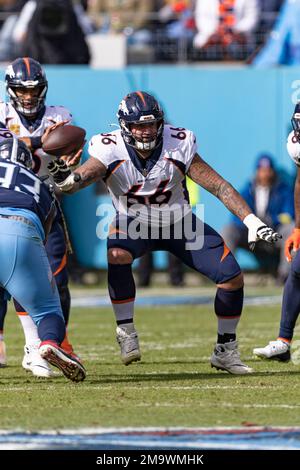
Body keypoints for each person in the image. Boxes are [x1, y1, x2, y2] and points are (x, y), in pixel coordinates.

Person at [50, 91, 280, 375]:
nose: (145, 131)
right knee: (117, 253)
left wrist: (252, 221)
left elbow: (219, 186)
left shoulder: (178, 143)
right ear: (125, 126)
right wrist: (69, 179)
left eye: (151, 124)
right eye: (138, 125)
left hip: (178, 222)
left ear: (160, 124)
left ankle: (226, 350)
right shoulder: (110, 148)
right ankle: (126, 330)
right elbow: (86, 175)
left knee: (231, 277)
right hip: (133, 221)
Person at [0, 57, 80, 376]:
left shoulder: (60, 115)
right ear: (11, 90)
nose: (29, 96)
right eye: (22, 90)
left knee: (57, 277)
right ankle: (21, 344)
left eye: (34, 90)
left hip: (45, 196)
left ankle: (55, 343)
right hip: (15, 198)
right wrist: (40, 142)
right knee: (15, 278)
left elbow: (68, 161)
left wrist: (62, 158)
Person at [253, 103, 300, 361]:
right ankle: (283, 342)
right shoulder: (296, 143)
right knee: (297, 268)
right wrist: (299, 229)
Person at [222, 153, 294, 283]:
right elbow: (236, 215)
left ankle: (285, 276)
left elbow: (288, 215)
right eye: (262, 170)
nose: (265, 174)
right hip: (251, 233)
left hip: (273, 232)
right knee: (229, 230)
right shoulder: (248, 190)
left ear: (272, 171)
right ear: (257, 171)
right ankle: (229, 275)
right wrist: (252, 224)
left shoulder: (283, 190)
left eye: (268, 170)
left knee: (291, 230)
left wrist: (271, 221)